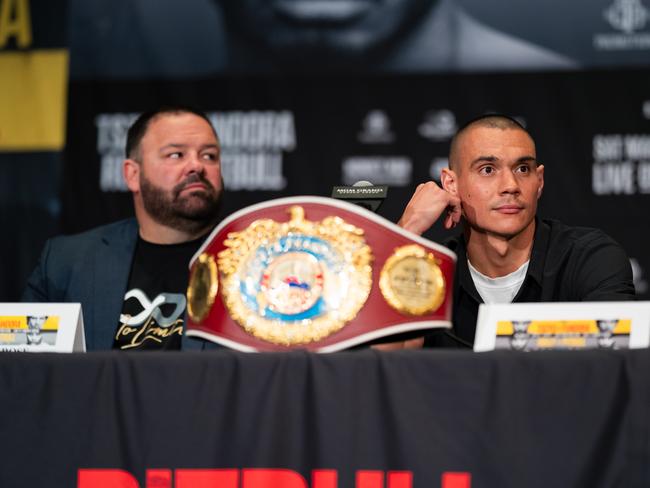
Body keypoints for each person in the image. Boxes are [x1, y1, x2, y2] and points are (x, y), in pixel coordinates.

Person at [396, 114, 635, 348]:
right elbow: (375, 367)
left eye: (522, 169)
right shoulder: (431, 275)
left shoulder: (588, 258)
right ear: (451, 184)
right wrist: (405, 231)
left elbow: (614, 364)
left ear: (539, 181)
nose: (510, 186)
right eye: (488, 169)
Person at [23, 106, 223, 351]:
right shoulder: (66, 263)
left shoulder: (251, 266)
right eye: (176, 155)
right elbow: (25, 370)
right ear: (132, 175)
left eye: (209, 156)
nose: (197, 166)